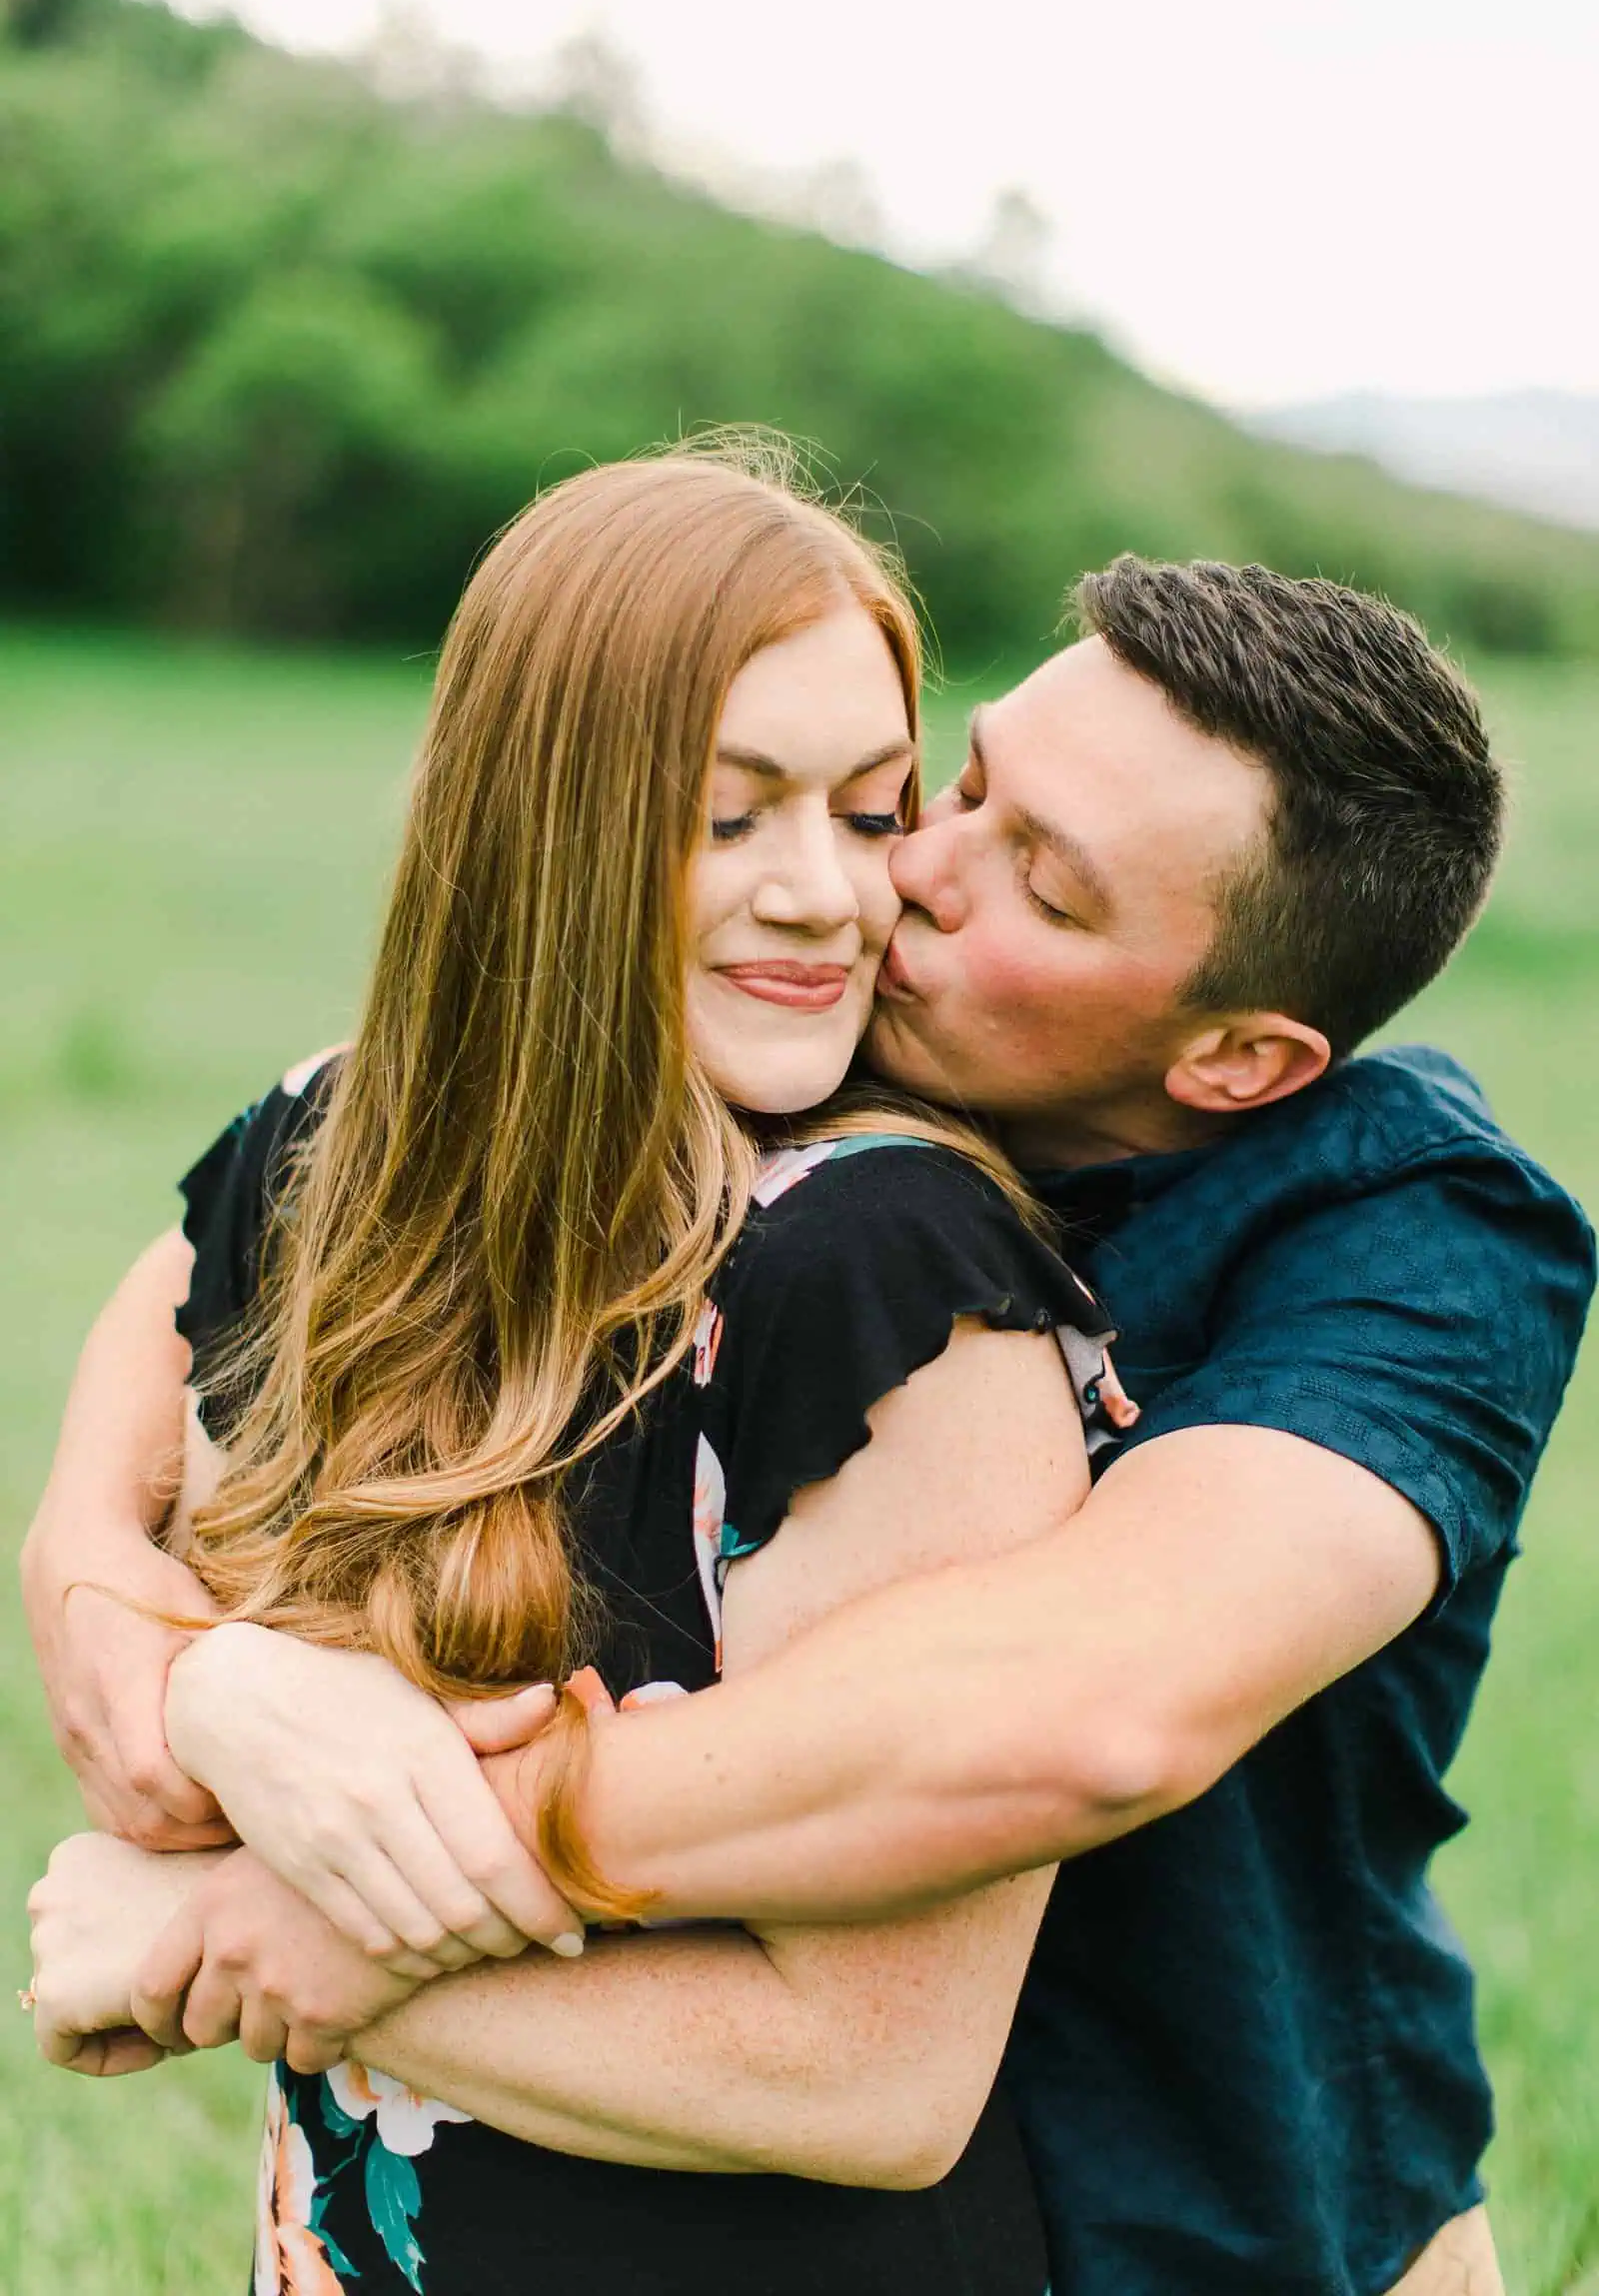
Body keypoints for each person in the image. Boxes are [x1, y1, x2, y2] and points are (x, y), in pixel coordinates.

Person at [25, 552, 1594, 2296]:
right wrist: (144, 1623)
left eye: (1044, 892)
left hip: (1226, 2214)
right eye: (959, 784)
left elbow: (1080, 1711)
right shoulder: (776, 1080)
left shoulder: (1414, 1238)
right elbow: (200, 1284)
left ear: (1235, 1060)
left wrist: (334, 1886)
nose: (896, 876)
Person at [25, 445, 1121, 2295]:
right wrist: (196, 1685)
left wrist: (211, 1931)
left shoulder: (873, 1266)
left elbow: (878, 2077)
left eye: (867, 816)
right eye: (728, 816)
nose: (825, 900)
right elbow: (119, 1448)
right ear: (540, 815)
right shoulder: (327, 1149)